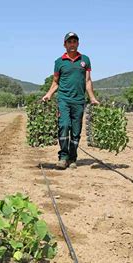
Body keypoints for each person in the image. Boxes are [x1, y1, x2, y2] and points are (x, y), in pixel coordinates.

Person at [42, 32, 99, 170]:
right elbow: (55, 82)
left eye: (74, 41)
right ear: (65, 44)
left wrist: (92, 97)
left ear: (78, 43)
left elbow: (87, 80)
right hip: (64, 99)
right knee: (64, 125)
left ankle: (73, 158)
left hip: (79, 101)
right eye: (69, 42)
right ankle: (63, 157)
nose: (72, 44)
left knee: (76, 130)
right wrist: (48, 94)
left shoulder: (85, 60)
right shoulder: (59, 62)